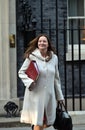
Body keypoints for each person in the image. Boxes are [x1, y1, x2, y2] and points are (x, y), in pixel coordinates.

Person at [18, 34, 64, 130]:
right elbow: (21, 72)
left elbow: (56, 78)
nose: (41, 43)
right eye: (40, 41)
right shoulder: (32, 57)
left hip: (49, 96)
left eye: (44, 41)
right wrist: (30, 82)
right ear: (37, 44)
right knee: (38, 121)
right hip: (36, 96)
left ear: (48, 44)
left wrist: (59, 96)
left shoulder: (54, 58)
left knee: (48, 122)